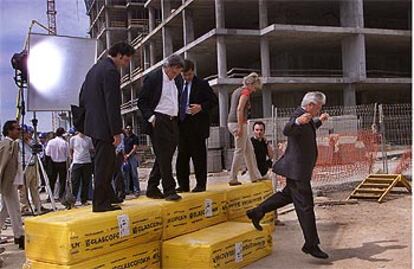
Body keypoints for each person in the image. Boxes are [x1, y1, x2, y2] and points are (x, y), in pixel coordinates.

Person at [246, 91, 330, 259]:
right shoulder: (298, 115)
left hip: (298, 170)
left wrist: (319, 121)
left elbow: (309, 127)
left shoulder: (307, 118)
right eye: (319, 108)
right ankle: (311, 244)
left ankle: (257, 211)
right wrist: (298, 122)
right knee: (306, 207)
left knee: (286, 196)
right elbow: (288, 129)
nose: (319, 110)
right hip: (298, 171)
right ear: (311, 105)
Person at [80, 41, 135, 212]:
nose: (126, 64)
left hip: (93, 123)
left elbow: (82, 95)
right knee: (103, 166)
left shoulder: (95, 69)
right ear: (119, 55)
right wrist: (116, 131)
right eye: (126, 60)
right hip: (104, 126)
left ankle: (109, 196)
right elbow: (113, 104)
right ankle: (100, 203)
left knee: (110, 163)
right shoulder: (111, 71)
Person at [137, 54, 184, 201]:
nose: (175, 75)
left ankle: (151, 187)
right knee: (164, 156)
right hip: (159, 120)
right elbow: (142, 101)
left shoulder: (177, 81)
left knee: (165, 156)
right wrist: (151, 117)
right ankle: (169, 189)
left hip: (172, 120)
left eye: (178, 73)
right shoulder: (154, 78)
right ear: (168, 67)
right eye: (174, 72)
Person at [175, 60, 218, 193]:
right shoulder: (177, 83)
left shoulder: (202, 84)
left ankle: (200, 184)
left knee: (198, 157)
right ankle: (183, 185)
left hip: (197, 126)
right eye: (184, 75)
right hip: (182, 125)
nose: (186, 78)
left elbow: (213, 101)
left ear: (193, 71)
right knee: (182, 157)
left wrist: (201, 107)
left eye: (188, 74)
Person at [227, 72, 263, 186]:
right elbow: (239, 109)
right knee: (240, 151)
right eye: (255, 87)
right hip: (238, 123)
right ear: (251, 84)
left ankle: (255, 176)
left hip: (234, 122)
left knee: (249, 150)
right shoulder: (245, 92)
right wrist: (240, 126)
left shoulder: (237, 90)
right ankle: (232, 178)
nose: (255, 90)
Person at [0, 121, 25, 249]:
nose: (19, 131)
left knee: (5, 210)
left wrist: (19, 181)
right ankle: (19, 235)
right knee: (14, 210)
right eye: (17, 129)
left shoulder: (12, 144)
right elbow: (4, 166)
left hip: (12, 182)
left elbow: (17, 165)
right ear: (9, 131)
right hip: (8, 183)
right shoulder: (7, 145)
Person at [19, 125, 43, 215]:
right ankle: (24, 207)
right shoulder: (18, 143)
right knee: (23, 189)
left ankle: (38, 205)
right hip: (24, 166)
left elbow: (39, 149)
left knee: (35, 187)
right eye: (29, 133)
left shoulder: (31, 142)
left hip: (34, 165)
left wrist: (30, 142)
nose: (30, 135)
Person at [69, 130, 94, 206]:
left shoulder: (89, 139)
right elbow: (71, 150)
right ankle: (73, 200)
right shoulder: (73, 139)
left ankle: (84, 199)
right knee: (75, 182)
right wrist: (71, 158)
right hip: (77, 162)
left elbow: (91, 149)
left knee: (86, 182)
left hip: (87, 162)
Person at [45, 127, 69, 201]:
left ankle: (50, 195)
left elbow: (47, 153)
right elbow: (68, 154)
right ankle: (61, 196)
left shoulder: (51, 142)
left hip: (53, 162)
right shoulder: (65, 143)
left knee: (52, 180)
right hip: (62, 162)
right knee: (62, 180)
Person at [123, 125, 140, 197]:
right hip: (124, 157)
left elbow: (135, 147)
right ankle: (127, 190)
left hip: (132, 157)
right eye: (127, 128)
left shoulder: (134, 137)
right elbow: (122, 146)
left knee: (134, 173)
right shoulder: (124, 138)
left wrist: (129, 155)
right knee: (126, 174)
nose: (128, 130)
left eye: (130, 128)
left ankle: (136, 190)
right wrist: (124, 155)